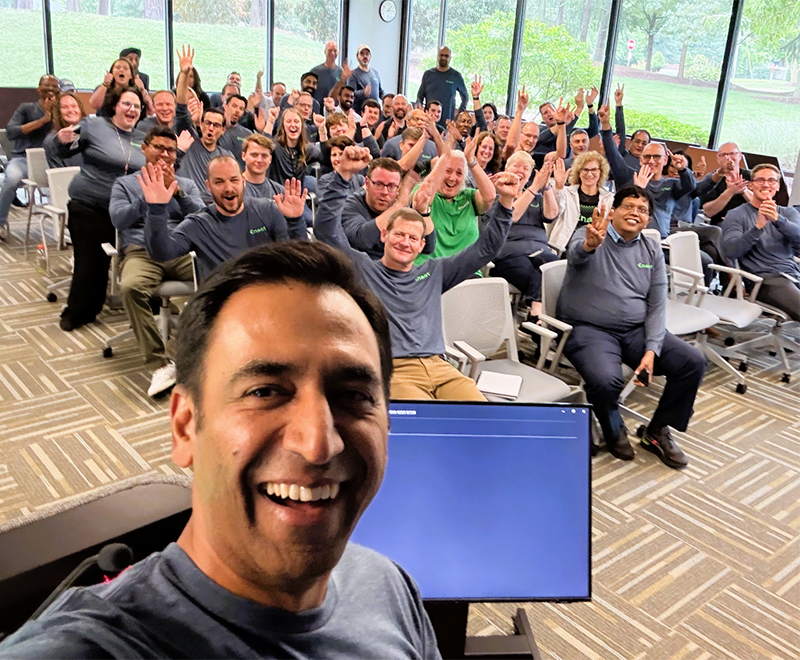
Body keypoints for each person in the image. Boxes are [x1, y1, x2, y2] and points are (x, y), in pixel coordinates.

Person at [0, 239, 441, 659]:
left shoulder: (388, 587)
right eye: (265, 391)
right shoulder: (96, 645)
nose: (319, 444)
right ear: (185, 426)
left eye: (353, 395)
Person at [315, 145, 518, 401]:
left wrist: (507, 202)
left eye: (413, 237)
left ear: (422, 245)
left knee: (481, 416)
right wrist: (343, 177)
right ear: (385, 235)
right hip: (397, 370)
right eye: (399, 234)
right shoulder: (363, 268)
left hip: (441, 367)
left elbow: (486, 248)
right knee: (421, 424)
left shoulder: (435, 271)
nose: (405, 242)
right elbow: (327, 233)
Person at [557, 185, 705, 468]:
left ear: (649, 220)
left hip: (635, 330)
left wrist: (652, 349)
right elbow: (577, 254)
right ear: (612, 211)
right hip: (590, 329)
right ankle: (613, 427)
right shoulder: (590, 234)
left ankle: (657, 431)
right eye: (628, 206)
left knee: (692, 362)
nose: (634, 213)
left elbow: (657, 304)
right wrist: (590, 244)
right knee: (605, 380)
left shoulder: (651, 248)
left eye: (642, 210)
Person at [109, 126, 205, 396]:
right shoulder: (125, 184)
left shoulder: (185, 184)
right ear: (145, 148)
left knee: (221, 274)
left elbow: (201, 216)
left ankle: (202, 347)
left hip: (180, 250)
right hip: (142, 253)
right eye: (158, 148)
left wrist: (175, 193)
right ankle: (159, 363)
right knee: (130, 288)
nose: (164, 154)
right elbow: (118, 220)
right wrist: (149, 195)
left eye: (170, 150)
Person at [51, 87, 147, 331]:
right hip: (89, 205)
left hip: (125, 209)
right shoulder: (94, 126)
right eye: (127, 104)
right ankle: (77, 311)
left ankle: (133, 301)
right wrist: (61, 141)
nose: (132, 109)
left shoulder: (141, 137)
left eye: (136, 106)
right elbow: (64, 148)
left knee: (127, 256)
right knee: (89, 261)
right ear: (115, 105)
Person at [143, 155, 307, 280]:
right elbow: (161, 253)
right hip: (222, 307)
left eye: (234, 180)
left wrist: (295, 221)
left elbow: (299, 259)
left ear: (243, 181)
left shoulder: (268, 210)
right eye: (219, 182)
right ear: (208, 186)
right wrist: (156, 209)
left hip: (265, 301)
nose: (228, 188)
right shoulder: (198, 223)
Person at [598, 104, 695, 239]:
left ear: (665, 160)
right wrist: (606, 125)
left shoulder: (672, 185)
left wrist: (683, 169)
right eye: (647, 157)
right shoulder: (629, 176)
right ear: (641, 160)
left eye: (656, 157)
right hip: (629, 237)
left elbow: (690, 186)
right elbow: (613, 156)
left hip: (661, 242)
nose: (651, 161)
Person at [722, 164, 800, 321]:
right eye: (760, 180)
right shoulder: (736, 215)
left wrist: (778, 220)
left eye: (771, 180)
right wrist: (757, 228)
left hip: (792, 274)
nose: (766, 184)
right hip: (765, 281)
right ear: (750, 185)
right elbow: (730, 251)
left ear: (777, 186)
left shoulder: (788, 213)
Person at [490, 153, 560, 320]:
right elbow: (511, 216)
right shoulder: (496, 194)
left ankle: (536, 315)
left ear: (530, 174)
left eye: (526, 168)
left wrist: (546, 187)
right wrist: (533, 188)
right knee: (543, 280)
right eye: (517, 166)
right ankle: (538, 319)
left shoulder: (537, 195)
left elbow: (552, 215)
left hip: (539, 250)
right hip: (508, 253)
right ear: (507, 168)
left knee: (554, 267)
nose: (521, 171)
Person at [410, 142, 496, 262]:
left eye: (459, 173)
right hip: (431, 269)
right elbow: (420, 202)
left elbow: (490, 197)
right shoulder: (426, 193)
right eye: (447, 171)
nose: (452, 178)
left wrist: (471, 161)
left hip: (465, 271)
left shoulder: (469, 196)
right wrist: (442, 162)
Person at [340, 156, 436, 259]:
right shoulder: (351, 204)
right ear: (367, 183)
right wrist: (399, 205)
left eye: (391, 186)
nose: (384, 192)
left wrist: (423, 211)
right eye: (379, 184)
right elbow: (361, 239)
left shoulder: (401, 206)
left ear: (398, 188)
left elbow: (428, 248)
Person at [0, 74, 59, 239]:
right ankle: (0, 222)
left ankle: (67, 227)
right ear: (38, 89)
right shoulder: (26, 108)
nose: (50, 91)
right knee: (11, 179)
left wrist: (54, 115)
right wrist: (43, 120)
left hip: (54, 159)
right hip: (24, 158)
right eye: (46, 87)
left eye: (54, 87)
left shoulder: (63, 109)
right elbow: (11, 132)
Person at [550, 151, 613, 253]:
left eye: (594, 170)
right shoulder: (566, 192)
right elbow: (555, 212)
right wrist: (559, 187)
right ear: (578, 172)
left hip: (595, 250)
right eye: (585, 170)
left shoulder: (609, 198)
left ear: (601, 172)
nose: (589, 174)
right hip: (563, 248)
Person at [175, 107, 233, 203]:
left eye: (216, 125)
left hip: (215, 205)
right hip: (188, 201)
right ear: (201, 125)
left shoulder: (226, 156)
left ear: (223, 130)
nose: (211, 128)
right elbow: (181, 113)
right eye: (207, 123)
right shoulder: (189, 141)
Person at [697, 142, 751, 226]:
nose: (728, 158)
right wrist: (730, 192)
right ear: (718, 159)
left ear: (740, 156)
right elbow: (708, 211)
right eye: (724, 155)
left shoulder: (752, 176)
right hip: (721, 223)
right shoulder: (714, 179)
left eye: (732, 153)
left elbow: (761, 206)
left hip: (749, 221)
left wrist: (743, 189)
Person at [415, 46, 468, 124]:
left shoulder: (456, 76)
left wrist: (459, 113)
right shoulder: (428, 74)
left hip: (447, 122)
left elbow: (465, 96)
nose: (443, 58)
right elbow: (420, 96)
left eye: (446, 56)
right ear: (437, 56)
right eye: (441, 55)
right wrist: (419, 107)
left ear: (450, 58)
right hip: (429, 121)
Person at [43, 91, 87, 168]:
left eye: (74, 106)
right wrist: (59, 140)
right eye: (65, 107)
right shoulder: (52, 138)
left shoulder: (89, 131)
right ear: (58, 112)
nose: (70, 110)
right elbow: (50, 144)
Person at [242, 134, 285, 200]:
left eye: (264, 156)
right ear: (243, 156)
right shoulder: (234, 188)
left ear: (270, 159)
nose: (259, 160)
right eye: (254, 155)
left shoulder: (280, 191)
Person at [218, 93, 252, 166]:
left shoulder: (247, 134)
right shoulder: (215, 128)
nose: (237, 110)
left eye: (241, 108)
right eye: (234, 106)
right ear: (225, 106)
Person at [347, 45, 383, 114]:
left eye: (367, 54)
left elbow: (380, 92)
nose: (365, 56)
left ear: (370, 56)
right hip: (360, 113)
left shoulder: (375, 73)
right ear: (357, 56)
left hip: (374, 113)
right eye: (362, 54)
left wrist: (389, 99)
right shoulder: (353, 74)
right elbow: (351, 94)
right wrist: (363, 93)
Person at [311, 40, 342, 104]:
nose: (333, 53)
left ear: (338, 52)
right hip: (319, 109)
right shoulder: (315, 72)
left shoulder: (341, 72)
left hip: (335, 110)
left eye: (335, 50)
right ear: (325, 52)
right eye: (330, 50)